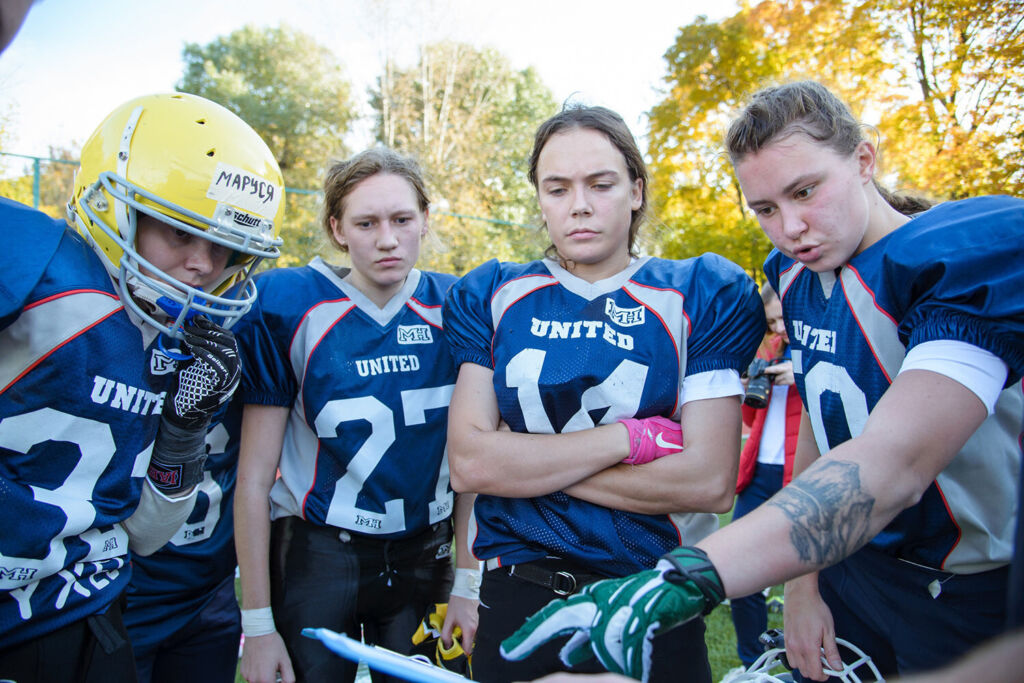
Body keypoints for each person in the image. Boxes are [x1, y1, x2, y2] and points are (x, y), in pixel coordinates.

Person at [500, 81, 1023, 683]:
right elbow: (823, 429)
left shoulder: (961, 256)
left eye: (805, 191)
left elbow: (893, 463)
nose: (791, 227)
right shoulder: (795, 275)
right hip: (851, 565)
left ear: (863, 159)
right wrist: (804, 584)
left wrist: (692, 574)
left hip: (964, 584)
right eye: (765, 209)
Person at [443, 104, 765, 683]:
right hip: (517, 590)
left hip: (651, 594)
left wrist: (518, 461)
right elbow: (469, 464)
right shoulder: (493, 292)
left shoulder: (699, 292)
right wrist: (628, 440)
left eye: (601, 183)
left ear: (636, 191)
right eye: (557, 188)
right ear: (540, 199)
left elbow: (709, 481)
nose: (580, 205)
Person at [0, 87, 284, 682]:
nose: (203, 264)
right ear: (113, 207)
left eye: (225, 248)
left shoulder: (191, 342)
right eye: (179, 232)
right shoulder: (35, 263)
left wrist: (183, 431)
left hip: (80, 611)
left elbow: (148, 535)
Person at [234, 147, 478, 683]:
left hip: (427, 553)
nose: (387, 239)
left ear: (425, 219)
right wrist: (257, 624)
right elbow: (253, 478)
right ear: (337, 228)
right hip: (319, 554)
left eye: (402, 219)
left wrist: (467, 583)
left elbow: (475, 466)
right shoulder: (289, 305)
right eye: (366, 223)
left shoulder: (459, 306)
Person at [726, 283, 800, 673]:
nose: (780, 329)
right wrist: (747, 389)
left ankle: (807, 667)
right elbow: (751, 418)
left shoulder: (821, 353)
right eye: (772, 323)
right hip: (759, 473)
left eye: (784, 319)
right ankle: (752, 667)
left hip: (800, 474)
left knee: (807, 578)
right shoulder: (769, 352)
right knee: (740, 572)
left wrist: (802, 374)